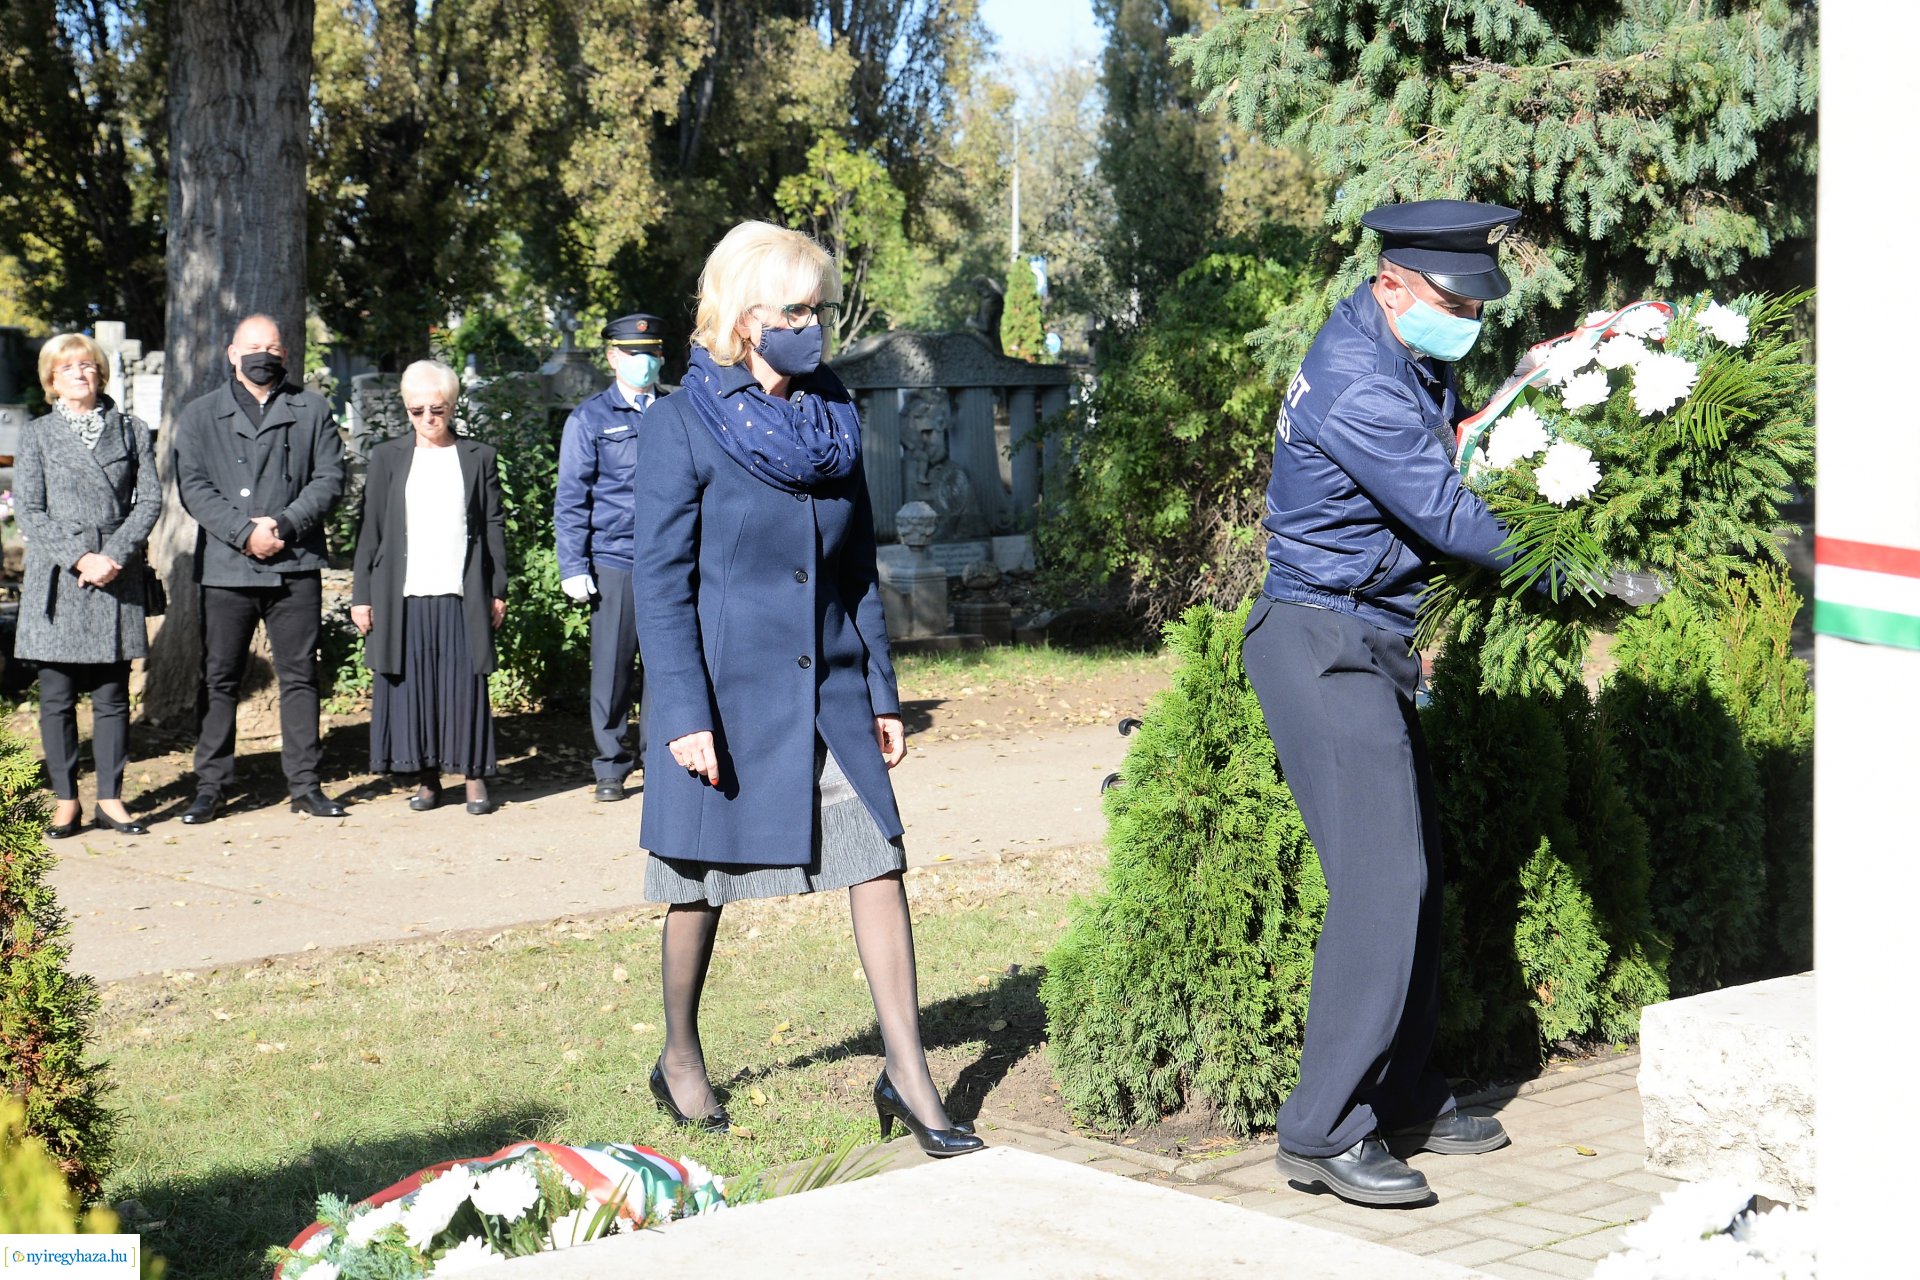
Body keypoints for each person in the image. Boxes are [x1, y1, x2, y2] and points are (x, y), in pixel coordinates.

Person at [632, 221, 982, 1158]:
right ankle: (678, 1054)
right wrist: (681, 714)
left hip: (827, 687)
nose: (813, 327)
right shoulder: (679, 424)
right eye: (796, 311)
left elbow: (856, 566)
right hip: (723, 696)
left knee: (878, 860)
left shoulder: (831, 416)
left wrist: (880, 688)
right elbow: (660, 583)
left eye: (818, 309)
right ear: (745, 320)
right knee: (697, 885)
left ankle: (908, 1075)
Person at [1244, 200, 1527, 1207]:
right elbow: (1450, 512)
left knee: (1415, 874)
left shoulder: (1405, 348)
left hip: (1367, 636)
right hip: (1320, 642)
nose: (1469, 321)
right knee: (1381, 881)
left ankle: (1400, 1091)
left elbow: (1459, 444)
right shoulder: (1359, 377)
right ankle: (1322, 1129)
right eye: (1455, 301)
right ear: (1396, 283)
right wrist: (1568, 559)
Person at [173, 314, 346, 824]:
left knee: (299, 677)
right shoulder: (201, 414)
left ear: (286, 356)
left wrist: (286, 524)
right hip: (227, 567)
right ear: (231, 353)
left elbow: (330, 477)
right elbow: (194, 487)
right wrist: (244, 532)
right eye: (253, 347)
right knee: (220, 678)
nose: (262, 355)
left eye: (272, 347)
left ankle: (305, 785)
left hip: (295, 563)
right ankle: (210, 787)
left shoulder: (312, 409)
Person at [13, 333, 161, 837]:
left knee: (112, 695)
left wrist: (112, 556)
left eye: (88, 365)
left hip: (115, 576)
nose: (79, 373)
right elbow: (29, 509)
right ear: (51, 381)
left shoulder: (131, 430)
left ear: (101, 374)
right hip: (59, 576)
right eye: (67, 368)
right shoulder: (35, 435)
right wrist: (79, 557)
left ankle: (112, 799)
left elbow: (149, 501)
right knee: (55, 696)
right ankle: (65, 800)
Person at [350, 360, 508, 816]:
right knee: (414, 688)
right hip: (404, 594)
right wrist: (361, 596)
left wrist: (498, 587)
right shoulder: (387, 457)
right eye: (417, 410)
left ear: (452, 406)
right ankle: (427, 778)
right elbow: (371, 531)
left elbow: (493, 526)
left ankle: (474, 777)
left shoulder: (479, 457)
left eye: (436, 409)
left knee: (465, 685)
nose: (427, 419)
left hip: (463, 593)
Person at [555, 313, 666, 803]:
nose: (643, 362)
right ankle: (611, 766)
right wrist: (573, 566)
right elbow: (572, 498)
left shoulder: (679, 409)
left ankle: (662, 760)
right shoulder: (590, 418)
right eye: (632, 353)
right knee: (613, 669)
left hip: (671, 561)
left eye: (650, 353)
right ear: (612, 358)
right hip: (615, 559)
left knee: (668, 665)